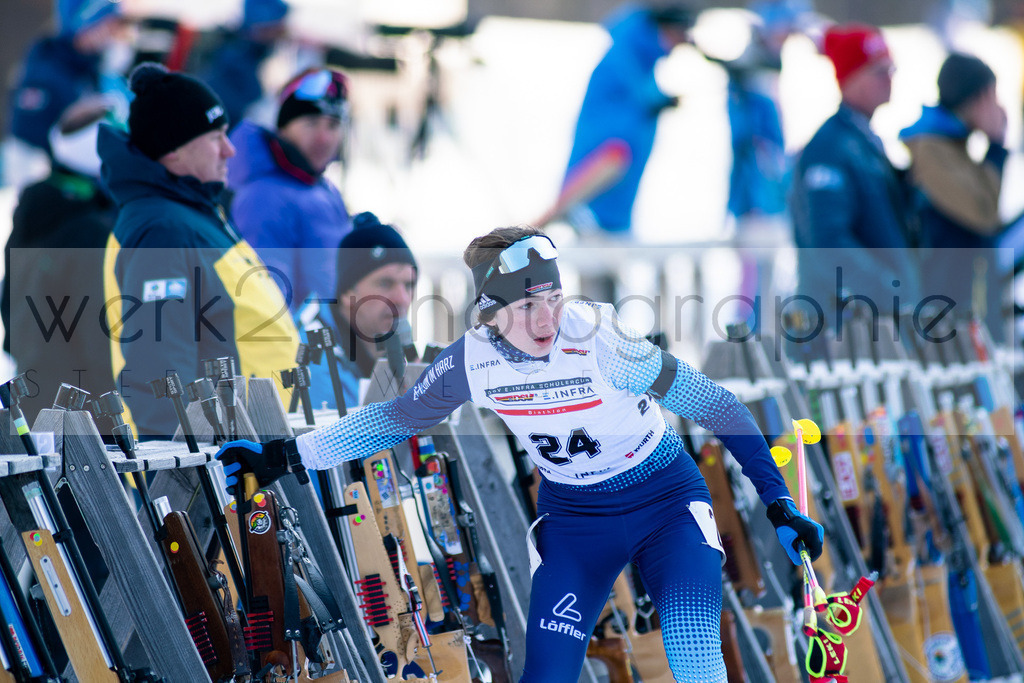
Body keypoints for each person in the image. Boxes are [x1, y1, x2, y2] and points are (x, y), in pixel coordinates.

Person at [215, 226, 824, 681]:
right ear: (490, 311)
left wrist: (779, 503)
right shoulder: (473, 360)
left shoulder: (601, 339)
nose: (547, 318)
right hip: (577, 523)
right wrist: (287, 456)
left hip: (664, 503)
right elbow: (397, 419)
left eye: (553, 298)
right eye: (527, 305)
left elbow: (720, 407)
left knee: (694, 658)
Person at [99, 63, 299, 437]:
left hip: (252, 444)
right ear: (174, 150)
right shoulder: (163, 228)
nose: (229, 150)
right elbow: (159, 372)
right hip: (223, 454)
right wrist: (185, 464)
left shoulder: (193, 213)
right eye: (215, 137)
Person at [790, 23, 920, 341]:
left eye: (891, 69)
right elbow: (828, 243)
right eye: (879, 71)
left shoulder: (863, 141)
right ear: (851, 79)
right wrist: (889, 290)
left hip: (871, 324)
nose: (889, 79)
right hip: (842, 331)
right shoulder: (830, 147)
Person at [2, 98, 116, 419]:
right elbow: (99, 335)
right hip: (83, 408)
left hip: (34, 390)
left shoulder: (34, 212)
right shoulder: (89, 230)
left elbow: (8, 303)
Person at [900, 53, 1009, 342]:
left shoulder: (953, 145)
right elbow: (984, 214)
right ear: (977, 97)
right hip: (945, 309)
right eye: (992, 95)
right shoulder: (932, 149)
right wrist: (997, 147)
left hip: (959, 301)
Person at [561, 4, 694, 236]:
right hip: (596, 183)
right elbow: (633, 97)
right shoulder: (627, 50)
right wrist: (657, 99)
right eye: (677, 34)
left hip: (619, 195)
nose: (678, 43)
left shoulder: (646, 60)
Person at [228, 67, 352, 313]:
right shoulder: (264, 197)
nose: (324, 138)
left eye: (333, 125)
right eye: (311, 123)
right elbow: (269, 306)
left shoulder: (322, 188)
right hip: (302, 338)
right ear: (283, 128)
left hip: (330, 336)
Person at [6, 0, 129, 186]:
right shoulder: (46, 73)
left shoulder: (92, 66)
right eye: (105, 25)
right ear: (84, 26)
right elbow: (27, 139)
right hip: (54, 182)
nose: (111, 33)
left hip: (87, 177)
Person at [304, 211, 418, 411]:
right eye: (385, 283)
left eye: (409, 285)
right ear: (347, 293)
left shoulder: (389, 339)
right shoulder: (313, 352)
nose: (402, 299)